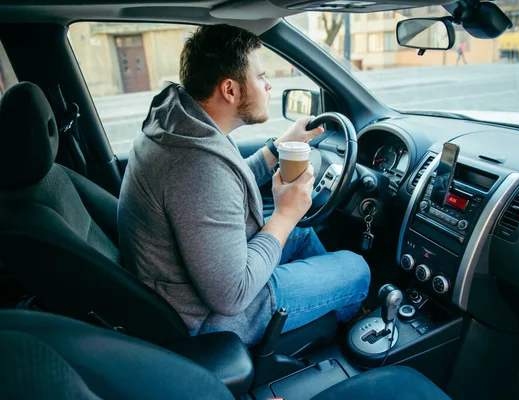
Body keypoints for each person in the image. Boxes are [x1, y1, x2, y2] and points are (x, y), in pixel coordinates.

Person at [117, 24, 371, 345]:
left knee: (304, 234)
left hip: (188, 288)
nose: (268, 86)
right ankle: (324, 335)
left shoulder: (179, 127)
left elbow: (224, 187)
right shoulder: (197, 168)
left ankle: (319, 312)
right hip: (209, 320)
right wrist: (285, 215)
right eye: (261, 77)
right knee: (357, 270)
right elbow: (232, 295)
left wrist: (278, 148)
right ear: (230, 90)